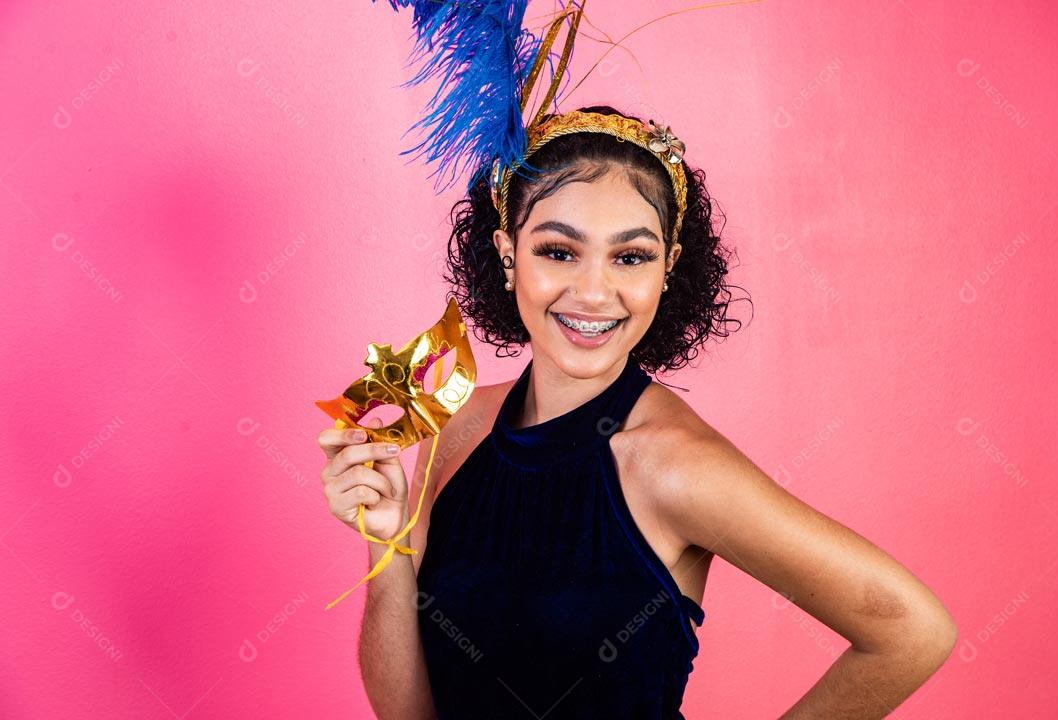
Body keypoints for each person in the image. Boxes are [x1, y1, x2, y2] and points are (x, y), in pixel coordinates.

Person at [317, 102, 958, 719]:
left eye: (631, 256)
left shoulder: (675, 465)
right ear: (509, 256)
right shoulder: (455, 428)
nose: (594, 292)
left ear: (668, 267)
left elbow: (912, 633)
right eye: (559, 251)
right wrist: (389, 553)